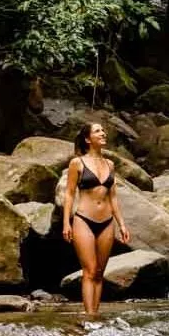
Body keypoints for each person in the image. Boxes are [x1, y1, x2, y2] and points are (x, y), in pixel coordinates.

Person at [62, 123, 130, 314]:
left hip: (107, 222)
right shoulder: (77, 163)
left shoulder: (110, 164)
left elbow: (113, 196)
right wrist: (66, 222)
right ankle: (89, 317)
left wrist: (122, 224)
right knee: (90, 270)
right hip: (83, 220)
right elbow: (69, 194)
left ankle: (95, 316)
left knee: (100, 273)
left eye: (103, 130)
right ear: (87, 139)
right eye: (98, 131)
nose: (103, 133)